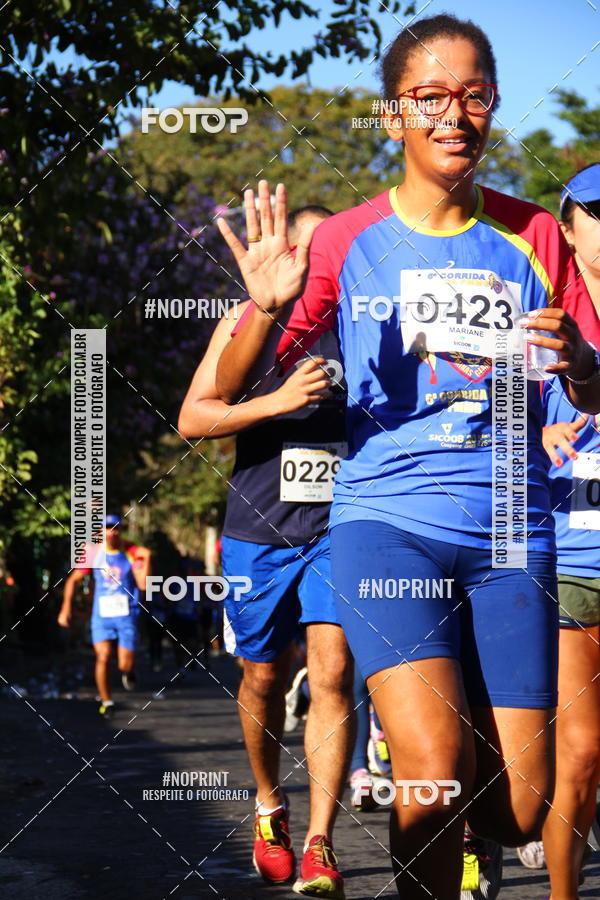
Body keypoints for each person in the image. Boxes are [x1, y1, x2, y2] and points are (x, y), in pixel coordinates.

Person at [213, 15, 600, 900]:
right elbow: (230, 387)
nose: (453, 114)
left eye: (474, 95)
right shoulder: (346, 239)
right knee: (429, 769)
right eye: (429, 98)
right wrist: (266, 308)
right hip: (388, 523)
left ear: (492, 105)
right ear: (393, 116)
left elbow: (588, 386)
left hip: (510, 521)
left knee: (516, 809)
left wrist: (583, 366)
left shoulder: (535, 234)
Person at [178, 206, 353, 899]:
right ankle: (269, 805)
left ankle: (321, 844)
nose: (308, 261)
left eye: (322, 249)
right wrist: (275, 401)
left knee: (334, 675)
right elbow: (195, 417)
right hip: (259, 534)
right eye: (298, 248)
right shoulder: (249, 321)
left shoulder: (365, 325)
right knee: (263, 680)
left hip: (342, 531)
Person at [534, 164, 600, 899]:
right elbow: (486, 424)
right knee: (578, 757)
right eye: (597, 212)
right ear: (568, 225)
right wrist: (536, 431)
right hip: (573, 554)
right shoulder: (542, 313)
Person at [58, 515, 152, 717]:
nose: (112, 532)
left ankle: (128, 671)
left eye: (116, 528)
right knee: (102, 657)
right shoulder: (93, 553)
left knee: (123, 664)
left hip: (127, 614)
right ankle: (107, 701)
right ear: (101, 531)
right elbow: (72, 580)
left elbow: (143, 585)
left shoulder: (132, 552)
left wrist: (147, 559)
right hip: (102, 615)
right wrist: (66, 609)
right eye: (108, 528)